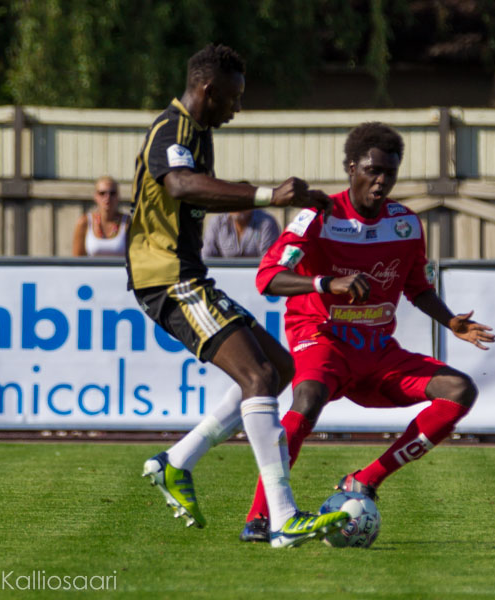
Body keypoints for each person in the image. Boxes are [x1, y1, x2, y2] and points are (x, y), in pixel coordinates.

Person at [126, 43, 347, 548]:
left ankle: (177, 462)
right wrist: (268, 194)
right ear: (208, 89)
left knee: (278, 367)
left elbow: (193, 187)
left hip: (186, 274)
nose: (238, 107)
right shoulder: (173, 128)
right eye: (233, 96)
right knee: (260, 376)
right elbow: (181, 186)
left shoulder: (197, 133)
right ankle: (283, 517)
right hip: (166, 277)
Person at [239, 122, 495, 542]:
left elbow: (416, 287)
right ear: (351, 167)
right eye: (372, 171)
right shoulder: (319, 216)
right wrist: (325, 283)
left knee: (460, 391)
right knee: (308, 397)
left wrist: (451, 320)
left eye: (389, 174)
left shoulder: (406, 225)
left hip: (377, 351)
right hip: (321, 337)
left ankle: (366, 480)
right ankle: (260, 516)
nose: (380, 182)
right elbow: (267, 278)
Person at [73, 176, 130, 256]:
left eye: (112, 193)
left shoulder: (128, 222)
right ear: (95, 197)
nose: (107, 197)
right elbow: (76, 260)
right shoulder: (84, 222)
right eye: (102, 193)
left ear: (118, 197)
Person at [201, 208, 281, 258]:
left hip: (257, 276)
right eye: (234, 201)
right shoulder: (216, 222)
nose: (238, 205)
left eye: (243, 201)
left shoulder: (267, 222)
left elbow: (269, 259)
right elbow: (207, 256)